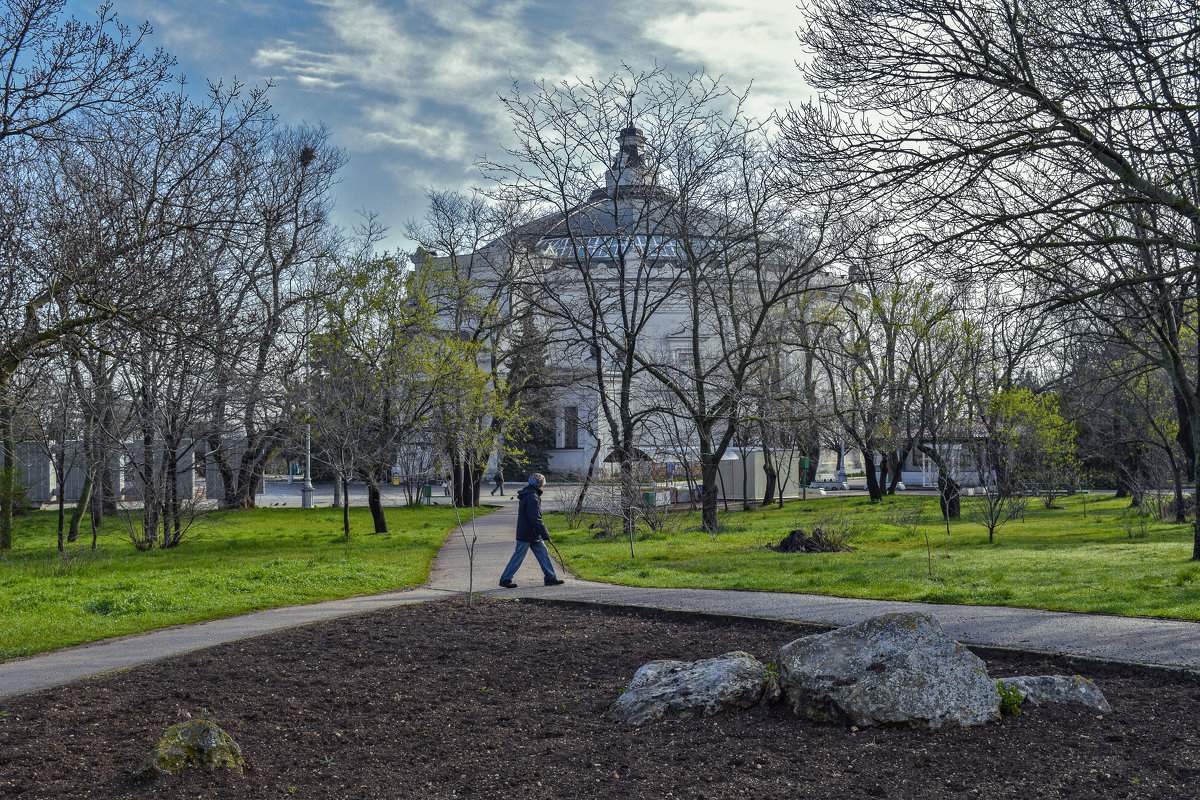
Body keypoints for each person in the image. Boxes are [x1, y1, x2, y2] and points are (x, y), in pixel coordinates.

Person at [499, 473, 564, 588]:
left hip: (533, 533)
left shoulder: (529, 494)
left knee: (543, 552)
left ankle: (550, 577)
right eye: (542, 482)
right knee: (518, 556)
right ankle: (505, 579)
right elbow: (535, 518)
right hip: (527, 533)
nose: (543, 484)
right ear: (539, 484)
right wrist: (545, 534)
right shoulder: (532, 497)